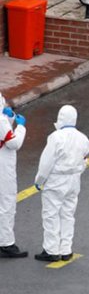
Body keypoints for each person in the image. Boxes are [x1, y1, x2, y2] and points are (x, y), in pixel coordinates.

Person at [33, 105, 89, 262]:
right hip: (74, 180)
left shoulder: (55, 137)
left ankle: (51, 250)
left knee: (51, 214)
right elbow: (85, 159)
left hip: (56, 180)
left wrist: (39, 180)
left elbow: (46, 162)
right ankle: (66, 249)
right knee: (68, 214)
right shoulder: (83, 138)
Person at [0, 93, 27, 259]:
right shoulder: (1, 121)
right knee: (7, 203)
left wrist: (8, 120)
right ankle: (6, 243)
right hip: (3, 166)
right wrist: (21, 127)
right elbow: (13, 143)